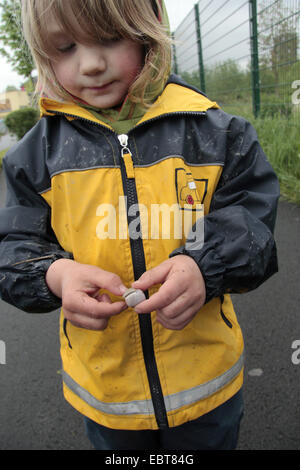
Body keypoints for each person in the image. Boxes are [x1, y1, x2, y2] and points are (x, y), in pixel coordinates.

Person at [0, 0, 279, 450]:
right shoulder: (35, 158)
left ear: (148, 32)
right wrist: (54, 274)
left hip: (205, 384)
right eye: (65, 46)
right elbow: (12, 245)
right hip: (107, 393)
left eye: (109, 38)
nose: (90, 64)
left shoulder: (217, 132)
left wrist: (203, 267)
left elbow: (253, 221)